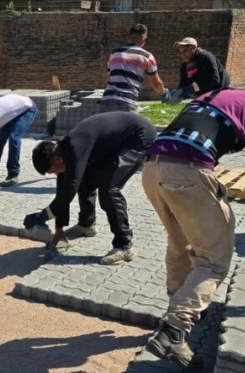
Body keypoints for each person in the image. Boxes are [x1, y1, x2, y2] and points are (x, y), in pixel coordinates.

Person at [141, 68, 245, 369]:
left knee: (179, 243)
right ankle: (173, 330)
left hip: (152, 168)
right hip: (188, 171)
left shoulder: (216, 93)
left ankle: (177, 305)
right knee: (214, 258)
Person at [22, 112, 157, 264]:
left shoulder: (73, 148)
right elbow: (63, 190)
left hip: (138, 137)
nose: (53, 174)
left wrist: (42, 216)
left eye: (51, 170)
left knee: (109, 189)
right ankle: (87, 225)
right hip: (115, 142)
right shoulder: (63, 151)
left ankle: (124, 246)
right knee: (85, 180)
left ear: (58, 160)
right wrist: (59, 229)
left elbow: (70, 188)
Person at [98, 24, 168, 113]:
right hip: (127, 102)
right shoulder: (147, 57)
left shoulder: (115, 53)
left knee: (104, 127)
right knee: (128, 127)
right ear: (144, 40)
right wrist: (164, 93)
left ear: (128, 37)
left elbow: (108, 78)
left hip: (107, 100)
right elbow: (156, 84)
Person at [171, 37, 230, 102]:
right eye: (181, 52)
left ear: (193, 48)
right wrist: (176, 94)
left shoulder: (206, 57)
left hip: (218, 94)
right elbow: (183, 84)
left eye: (185, 51)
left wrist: (191, 88)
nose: (182, 55)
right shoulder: (184, 66)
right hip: (201, 96)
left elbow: (214, 80)